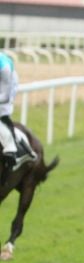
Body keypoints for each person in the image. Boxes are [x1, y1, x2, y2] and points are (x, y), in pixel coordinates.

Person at [0, 51, 21, 183]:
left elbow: (5, 97)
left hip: (7, 86)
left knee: (1, 112)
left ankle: (10, 148)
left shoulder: (5, 68)